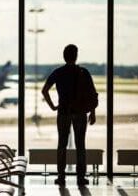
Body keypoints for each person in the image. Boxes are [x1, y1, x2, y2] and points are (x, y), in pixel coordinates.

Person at [42, 44, 97, 186]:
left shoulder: (58, 72)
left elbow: (45, 90)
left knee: (62, 144)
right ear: (76, 56)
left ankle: (61, 176)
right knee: (80, 145)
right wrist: (92, 112)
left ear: (64, 56)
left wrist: (53, 106)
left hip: (64, 112)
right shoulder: (83, 72)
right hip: (80, 113)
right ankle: (80, 177)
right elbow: (91, 94)